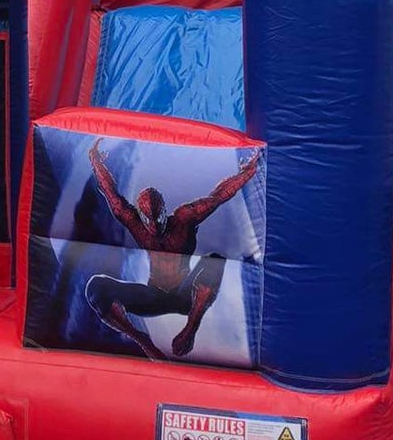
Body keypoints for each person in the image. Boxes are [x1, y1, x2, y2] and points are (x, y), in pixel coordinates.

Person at [82, 140, 260, 360]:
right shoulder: (134, 222)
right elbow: (109, 191)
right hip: (154, 295)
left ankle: (190, 328)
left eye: (158, 219)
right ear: (141, 216)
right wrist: (95, 159)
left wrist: (248, 172)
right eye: (150, 221)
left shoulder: (184, 218)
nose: (155, 226)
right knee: (96, 286)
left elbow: (219, 196)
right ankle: (144, 342)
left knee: (215, 260)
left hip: (187, 296)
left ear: (165, 211)